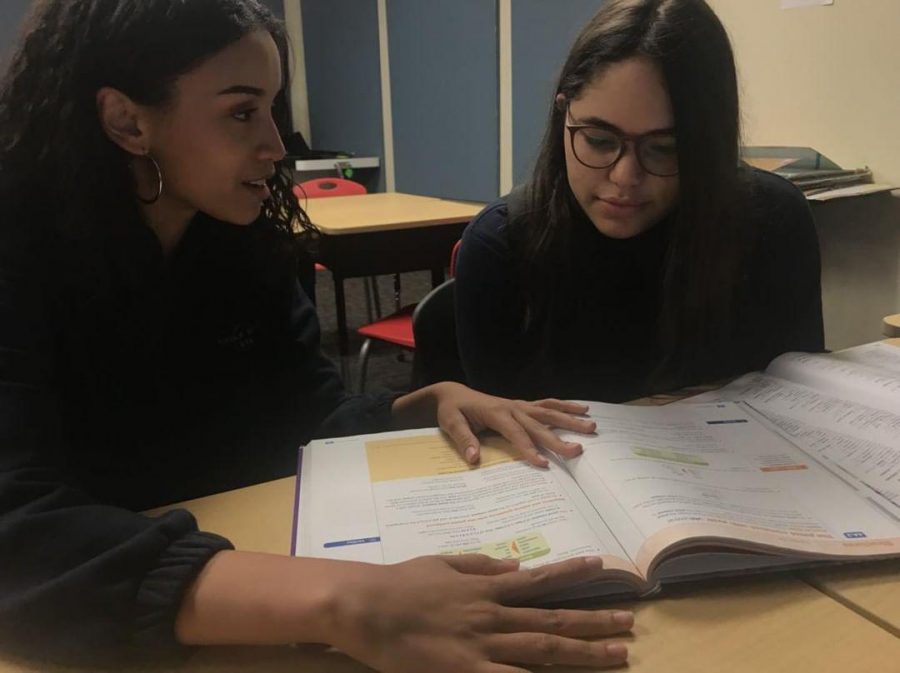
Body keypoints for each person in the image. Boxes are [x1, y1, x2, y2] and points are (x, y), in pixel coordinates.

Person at [0, 0, 634, 669]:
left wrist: (415, 405)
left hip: (233, 586)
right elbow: (18, 523)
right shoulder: (20, 251)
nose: (277, 145)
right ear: (127, 121)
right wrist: (344, 600)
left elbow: (299, 414)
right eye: (243, 112)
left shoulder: (242, 245)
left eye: (274, 108)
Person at [455, 0, 825, 403]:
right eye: (598, 141)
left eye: (664, 150)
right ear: (563, 114)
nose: (624, 177)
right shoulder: (502, 243)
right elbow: (498, 440)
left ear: (708, 146)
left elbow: (796, 393)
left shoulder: (772, 222)